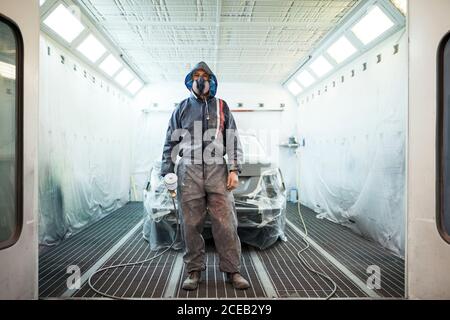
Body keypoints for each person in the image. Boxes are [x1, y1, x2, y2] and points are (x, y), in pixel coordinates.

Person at [160, 61, 250, 290]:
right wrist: (167, 171)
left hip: (217, 170)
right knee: (190, 224)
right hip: (188, 171)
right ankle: (194, 271)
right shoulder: (181, 108)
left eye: (205, 75)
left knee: (226, 223)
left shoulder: (222, 106)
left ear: (212, 81)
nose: (201, 79)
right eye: (197, 75)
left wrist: (234, 169)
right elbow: (171, 141)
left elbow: (232, 139)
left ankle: (232, 271)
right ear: (191, 81)